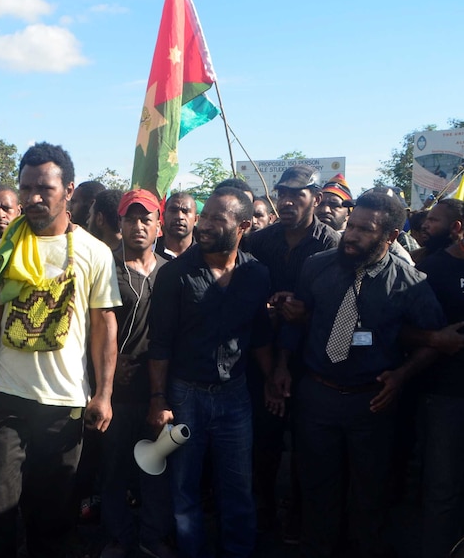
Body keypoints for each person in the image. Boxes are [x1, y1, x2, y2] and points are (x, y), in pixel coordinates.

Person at [0, 142, 121, 558]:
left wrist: (103, 394)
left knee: (52, 520)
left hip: (65, 406)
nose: (33, 198)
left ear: (68, 190)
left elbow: (105, 326)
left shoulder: (94, 252)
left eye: (44, 189)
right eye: (26, 188)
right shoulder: (3, 250)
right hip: (5, 401)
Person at [275, 191, 445, 558]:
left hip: (372, 405)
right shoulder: (316, 266)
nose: (350, 235)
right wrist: (282, 365)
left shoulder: (409, 282)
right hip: (317, 398)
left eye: (365, 230)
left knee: (370, 495)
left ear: (391, 236)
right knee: (317, 491)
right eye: (351, 226)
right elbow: (297, 320)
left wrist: (401, 375)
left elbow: (435, 340)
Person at [147, 186, 274, 558]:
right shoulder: (175, 275)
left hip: (235, 398)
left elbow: (261, 335)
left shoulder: (257, 274)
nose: (203, 225)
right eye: (205, 216)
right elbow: (160, 343)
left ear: (244, 226)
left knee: (237, 487)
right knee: (184, 487)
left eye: (218, 219)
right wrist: (158, 399)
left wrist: (273, 379)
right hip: (185, 397)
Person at [241, 164, 339, 540]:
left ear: (315, 198)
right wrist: (264, 305)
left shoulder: (331, 243)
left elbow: (345, 306)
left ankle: (299, 515)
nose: (286, 201)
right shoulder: (260, 242)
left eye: (297, 194)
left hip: (311, 359)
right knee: (263, 439)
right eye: (282, 193)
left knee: (308, 445)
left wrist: (307, 311)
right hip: (262, 355)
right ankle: (262, 508)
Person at [99, 189, 174, 558]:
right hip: (118, 392)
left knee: (156, 466)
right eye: (131, 218)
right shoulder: (103, 268)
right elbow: (86, 329)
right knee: (113, 467)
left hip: (160, 392)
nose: (139, 225)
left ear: (159, 225)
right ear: (121, 223)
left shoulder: (171, 271)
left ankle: (152, 535)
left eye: (147, 219)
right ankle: (118, 536)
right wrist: (106, 370)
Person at [413, 198, 464, 557]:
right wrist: (433, 339)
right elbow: (400, 330)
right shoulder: (431, 270)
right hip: (447, 397)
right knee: (442, 488)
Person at [413, 198, 460, 265]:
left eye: (432, 220)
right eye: (426, 220)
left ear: (455, 227)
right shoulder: (414, 258)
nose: (424, 226)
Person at [156, 192, 197, 260]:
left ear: (196, 219)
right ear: (163, 216)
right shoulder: (149, 252)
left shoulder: (205, 256)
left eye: (185, 211)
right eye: (173, 211)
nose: (179, 216)